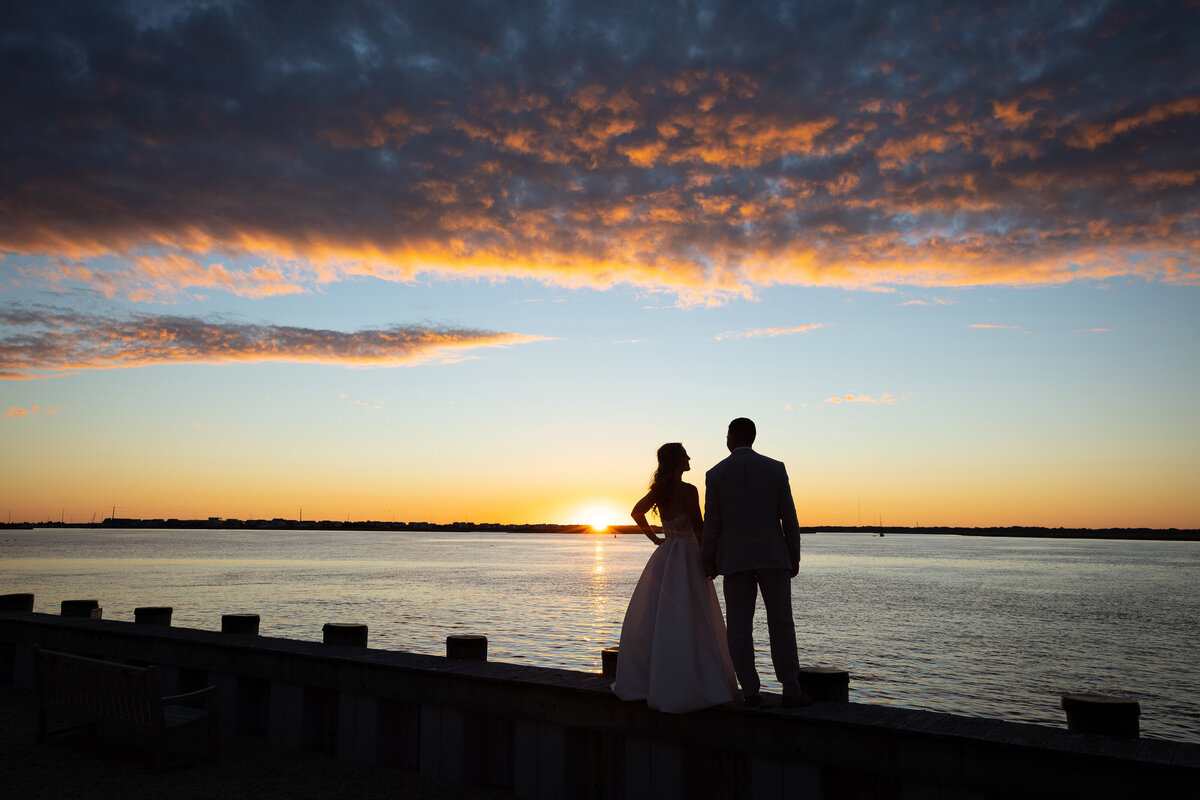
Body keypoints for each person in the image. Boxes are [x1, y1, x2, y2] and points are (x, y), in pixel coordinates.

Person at [611, 442, 737, 712]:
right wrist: (709, 558)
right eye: (685, 455)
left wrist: (655, 539)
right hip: (688, 554)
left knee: (660, 614)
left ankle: (656, 679)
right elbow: (699, 526)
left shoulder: (660, 490)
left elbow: (636, 512)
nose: (689, 458)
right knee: (693, 612)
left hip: (667, 553)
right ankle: (694, 682)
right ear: (678, 461)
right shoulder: (688, 490)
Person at [701, 418, 810, 707]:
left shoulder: (716, 474)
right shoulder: (775, 468)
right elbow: (789, 517)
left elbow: (712, 523)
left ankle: (750, 690)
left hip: (735, 559)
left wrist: (707, 560)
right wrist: (794, 555)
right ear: (753, 437)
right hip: (773, 557)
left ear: (731, 437)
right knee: (781, 622)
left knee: (738, 626)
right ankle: (791, 688)